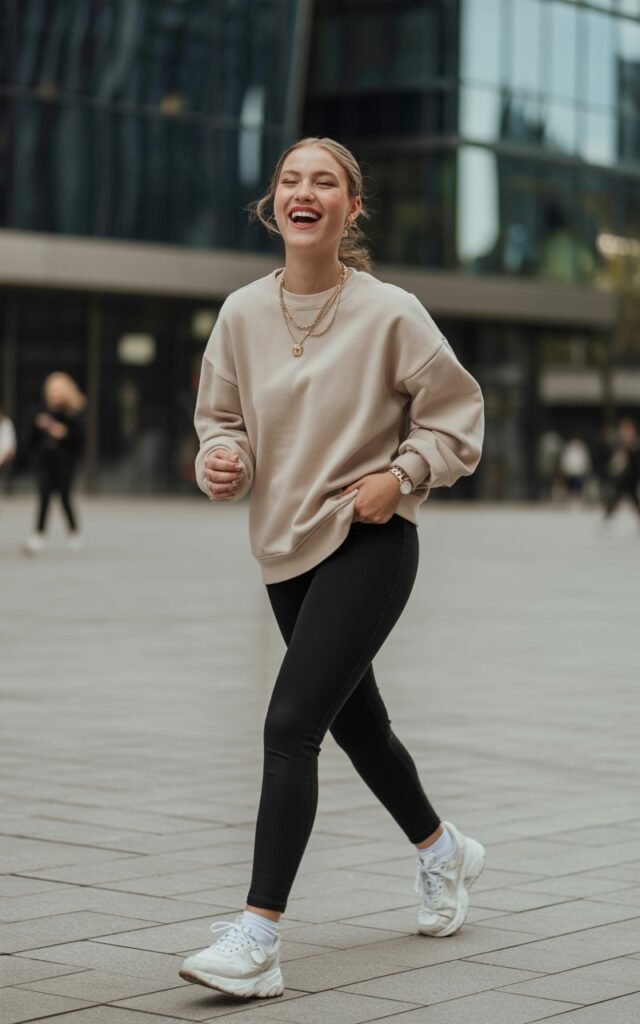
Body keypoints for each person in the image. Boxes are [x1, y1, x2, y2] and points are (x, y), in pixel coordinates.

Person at [181, 137, 486, 1000]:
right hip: (284, 548)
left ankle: (258, 938)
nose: (303, 191)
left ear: (352, 210)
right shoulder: (242, 312)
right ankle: (444, 851)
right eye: (289, 180)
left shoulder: (392, 311)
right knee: (359, 726)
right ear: (272, 204)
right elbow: (219, 417)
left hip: (370, 536)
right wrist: (220, 456)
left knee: (290, 723)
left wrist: (402, 476)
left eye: (324, 182)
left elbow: (458, 419)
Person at [22, 372, 86, 554]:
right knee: (44, 496)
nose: (55, 394)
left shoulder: (72, 414)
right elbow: (31, 440)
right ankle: (38, 535)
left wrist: (62, 432)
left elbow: (79, 440)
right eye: (52, 390)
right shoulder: (41, 411)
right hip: (44, 461)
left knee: (65, 497)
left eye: (58, 391)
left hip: (65, 462)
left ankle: (73, 533)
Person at [602, 417, 640, 523]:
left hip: (633, 477)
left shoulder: (635, 445)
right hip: (623, 478)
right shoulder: (618, 445)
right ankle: (607, 518)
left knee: (634, 500)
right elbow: (614, 463)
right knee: (616, 498)